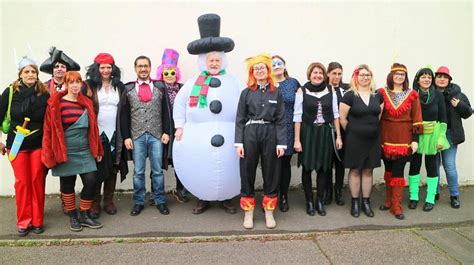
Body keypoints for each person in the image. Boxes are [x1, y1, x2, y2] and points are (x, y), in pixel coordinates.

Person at [173, 13, 241, 215]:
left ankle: (228, 199)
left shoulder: (235, 81)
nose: (214, 63)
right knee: (201, 166)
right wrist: (179, 126)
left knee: (230, 167)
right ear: (204, 61)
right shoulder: (193, 84)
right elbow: (180, 104)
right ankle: (202, 198)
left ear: (223, 61)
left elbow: (246, 104)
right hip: (198, 137)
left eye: (217, 60)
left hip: (231, 136)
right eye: (211, 60)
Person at [42, 71, 104, 231]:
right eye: (71, 82)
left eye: (78, 82)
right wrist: (50, 152)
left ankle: (84, 214)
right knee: (67, 184)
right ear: (66, 85)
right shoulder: (56, 103)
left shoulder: (87, 103)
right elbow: (49, 130)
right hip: (64, 150)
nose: (75, 85)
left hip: (84, 149)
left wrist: (97, 149)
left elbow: (94, 129)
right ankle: (72, 216)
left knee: (91, 181)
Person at [235, 53, 286, 229]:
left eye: (262, 68)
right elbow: (240, 119)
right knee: (247, 171)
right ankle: (248, 213)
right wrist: (239, 143)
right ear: (252, 72)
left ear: (268, 70)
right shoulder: (246, 93)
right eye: (256, 69)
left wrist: (281, 143)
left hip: (270, 133)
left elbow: (280, 119)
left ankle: (269, 212)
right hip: (250, 133)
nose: (259, 71)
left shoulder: (276, 92)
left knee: (271, 171)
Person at [0, 57, 49, 236]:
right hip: (16, 145)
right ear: (20, 74)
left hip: (38, 144)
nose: (30, 74)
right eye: (26, 71)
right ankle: (23, 221)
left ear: (37, 74)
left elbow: (50, 120)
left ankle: (37, 221)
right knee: (22, 183)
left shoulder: (44, 93)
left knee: (37, 181)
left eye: (33, 71)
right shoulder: (10, 92)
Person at [121, 56, 171, 216]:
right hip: (137, 136)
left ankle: (160, 201)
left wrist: (166, 131)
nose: (143, 69)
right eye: (140, 66)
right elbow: (124, 115)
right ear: (135, 69)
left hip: (156, 135)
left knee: (157, 171)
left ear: (150, 68)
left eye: (146, 66)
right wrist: (126, 136)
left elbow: (166, 111)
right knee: (138, 172)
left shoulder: (160, 87)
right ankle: (138, 202)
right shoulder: (128, 89)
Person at [294, 62, 343, 216]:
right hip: (307, 132)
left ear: (324, 75)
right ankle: (309, 201)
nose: (318, 75)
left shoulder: (330, 90)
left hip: (325, 133)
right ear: (310, 74)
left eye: (321, 73)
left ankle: (320, 201)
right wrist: (297, 140)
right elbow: (297, 117)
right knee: (307, 168)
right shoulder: (302, 90)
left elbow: (336, 114)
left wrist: (338, 137)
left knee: (323, 168)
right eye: (315, 72)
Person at [85, 53, 130, 219]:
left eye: (108, 67)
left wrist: (125, 135)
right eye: (102, 67)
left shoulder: (119, 86)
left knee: (113, 167)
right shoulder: (89, 86)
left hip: (115, 133)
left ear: (113, 69)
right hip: (97, 132)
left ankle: (108, 201)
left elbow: (124, 112)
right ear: (97, 68)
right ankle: (95, 203)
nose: (105, 70)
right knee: (96, 168)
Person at [378, 63, 423, 220]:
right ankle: (389, 200)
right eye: (396, 74)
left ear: (406, 77)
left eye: (402, 74)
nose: (399, 76)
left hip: (404, 140)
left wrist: (415, 140)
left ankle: (397, 206)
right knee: (388, 170)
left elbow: (417, 118)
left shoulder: (412, 94)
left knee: (398, 172)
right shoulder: (381, 93)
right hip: (385, 138)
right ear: (391, 76)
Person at [339, 65, 383, 218]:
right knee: (356, 170)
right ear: (356, 77)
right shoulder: (350, 96)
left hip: (373, 139)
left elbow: (378, 116)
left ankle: (366, 202)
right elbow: (343, 119)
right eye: (362, 75)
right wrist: (353, 132)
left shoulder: (378, 96)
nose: (365, 77)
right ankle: (355, 202)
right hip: (355, 140)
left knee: (368, 170)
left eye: (368, 75)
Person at [407, 68, 449, 212]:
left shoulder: (438, 95)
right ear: (417, 79)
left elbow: (443, 118)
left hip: (433, 135)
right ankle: (413, 197)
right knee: (414, 165)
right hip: (415, 134)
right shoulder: (412, 95)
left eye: (429, 77)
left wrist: (441, 138)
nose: (427, 80)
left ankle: (430, 198)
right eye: (423, 77)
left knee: (432, 166)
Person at [154, 48, 189, 203]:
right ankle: (156, 193)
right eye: (166, 73)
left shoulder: (183, 88)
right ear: (161, 74)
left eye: (172, 73)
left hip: (180, 130)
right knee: (157, 161)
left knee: (180, 161)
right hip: (162, 130)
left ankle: (180, 189)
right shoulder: (157, 88)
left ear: (177, 73)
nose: (169, 76)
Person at [434, 66, 472, 208]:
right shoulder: (429, 93)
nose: (442, 79)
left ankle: (454, 195)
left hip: (449, 134)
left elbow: (468, 113)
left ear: (449, 80)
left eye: (445, 77)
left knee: (449, 165)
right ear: (435, 78)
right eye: (439, 76)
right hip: (433, 134)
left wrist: (459, 105)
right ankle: (434, 191)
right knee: (434, 165)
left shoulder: (458, 94)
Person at [271, 55, 300, 212]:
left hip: (288, 128)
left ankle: (283, 196)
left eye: (279, 63)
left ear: (284, 65)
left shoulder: (293, 83)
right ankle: (271, 196)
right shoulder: (267, 83)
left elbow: (300, 108)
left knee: (284, 165)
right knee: (271, 165)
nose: (276, 66)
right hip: (270, 129)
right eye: (273, 64)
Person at [324, 62, 349, 206]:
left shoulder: (346, 89)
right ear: (328, 74)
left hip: (343, 132)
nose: (337, 77)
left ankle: (338, 191)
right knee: (327, 163)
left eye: (339, 74)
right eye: (334, 73)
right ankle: (328, 192)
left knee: (340, 162)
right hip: (327, 131)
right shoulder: (323, 89)